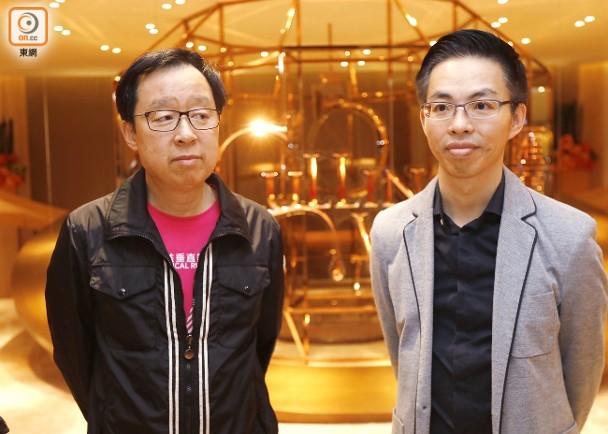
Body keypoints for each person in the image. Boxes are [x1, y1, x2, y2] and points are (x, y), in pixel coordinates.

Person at [370, 29, 607, 434]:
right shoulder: (390, 232)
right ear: (424, 118)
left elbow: (582, 367)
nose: (460, 124)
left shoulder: (569, 236)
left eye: (482, 105)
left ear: (517, 118)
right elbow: (403, 353)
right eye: (441, 107)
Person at [45, 48, 285, 434]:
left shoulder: (259, 229)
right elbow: (75, 353)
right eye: (163, 117)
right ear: (130, 132)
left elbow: (260, 345)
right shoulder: (87, 231)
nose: (186, 134)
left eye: (201, 115)